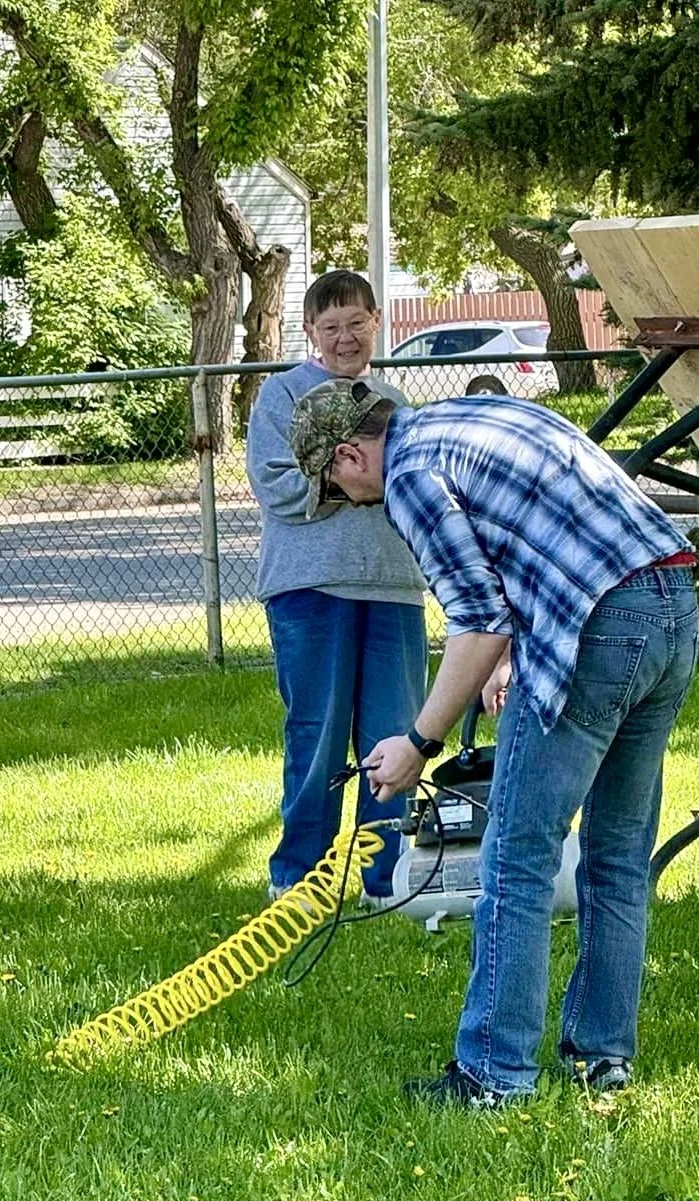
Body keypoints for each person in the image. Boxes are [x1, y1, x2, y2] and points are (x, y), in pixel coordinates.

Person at [287, 378, 699, 1106]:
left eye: (335, 483)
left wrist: (418, 739)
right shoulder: (476, 414)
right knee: (616, 855)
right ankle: (603, 1057)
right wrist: (509, 656)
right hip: (672, 606)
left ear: (350, 453)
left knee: (515, 857)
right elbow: (533, 548)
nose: (351, 498)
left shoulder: (410, 474)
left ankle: (494, 1075)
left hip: (600, 625)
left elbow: (476, 617)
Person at [246, 270, 428, 906]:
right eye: (331, 328)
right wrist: (344, 488)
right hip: (310, 589)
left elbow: (415, 492)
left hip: (394, 589)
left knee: (395, 736)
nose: (345, 338)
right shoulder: (281, 396)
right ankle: (299, 881)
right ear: (311, 333)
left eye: (357, 323)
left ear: (377, 321)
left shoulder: (395, 401)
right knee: (317, 733)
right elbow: (276, 485)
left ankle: (388, 879)